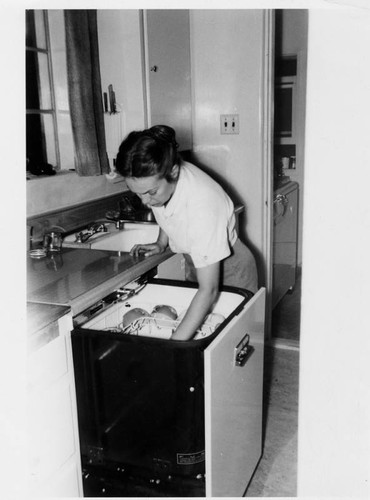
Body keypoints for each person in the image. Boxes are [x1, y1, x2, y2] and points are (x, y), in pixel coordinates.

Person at [115, 125, 258, 341]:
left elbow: (208, 290)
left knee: (228, 344)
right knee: (199, 333)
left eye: (150, 192)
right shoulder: (160, 180)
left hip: (231, 270)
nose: (144, 201)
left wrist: (173, 348)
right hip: (197, 262)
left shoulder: (203, 203)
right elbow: (167, 211)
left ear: (173, 172)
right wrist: (161, 242)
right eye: (137, 193)